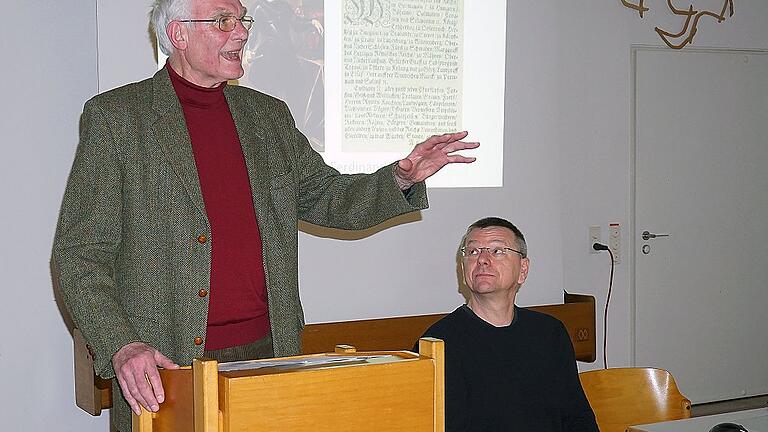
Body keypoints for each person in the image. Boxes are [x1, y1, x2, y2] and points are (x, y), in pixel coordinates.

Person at [50, 0, 477, 430]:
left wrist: (400, 178)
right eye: (223, 21)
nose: (241, 32)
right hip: (166, 364)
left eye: (241, 20)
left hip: (269, 353)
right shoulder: (119, 118)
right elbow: (79, 254)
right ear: (178, 34)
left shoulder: (267, 115)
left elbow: (326, 196)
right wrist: (122, 345)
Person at [419, 217, 598, 431]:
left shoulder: (549, 333)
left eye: (497, 251)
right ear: (463, 269)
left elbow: (576, 415)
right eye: (473, 252)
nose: (483, 260)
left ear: (523, 269)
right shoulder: (439, 342)